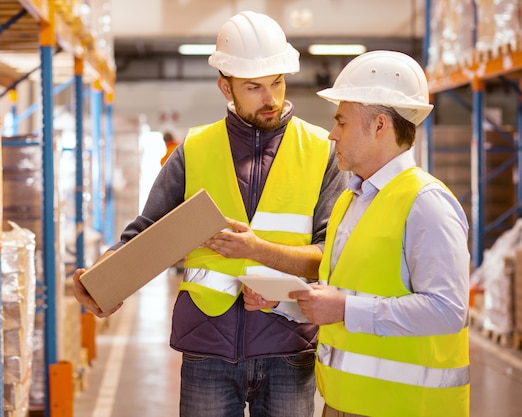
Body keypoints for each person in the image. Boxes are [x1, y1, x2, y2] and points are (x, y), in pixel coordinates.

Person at [72, 10, 349, 417]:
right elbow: (147, 234)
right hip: (208, 347)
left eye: (276, 82)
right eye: (253, 87)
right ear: (226, 87)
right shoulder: (195, 149)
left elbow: (330, 257)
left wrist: (258, 251)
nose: (270, 98)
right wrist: (104, 280)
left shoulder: (321, 151)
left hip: (288, 347)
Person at [282, 50, 471, 416]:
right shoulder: (351, 199)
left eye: (342, 122)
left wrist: (346, 307)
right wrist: (284, 305)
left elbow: (448, 310)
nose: (332, 135)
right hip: (341, 402)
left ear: (380, 125)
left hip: (406, 408)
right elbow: (342, 299)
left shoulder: (425, 203)